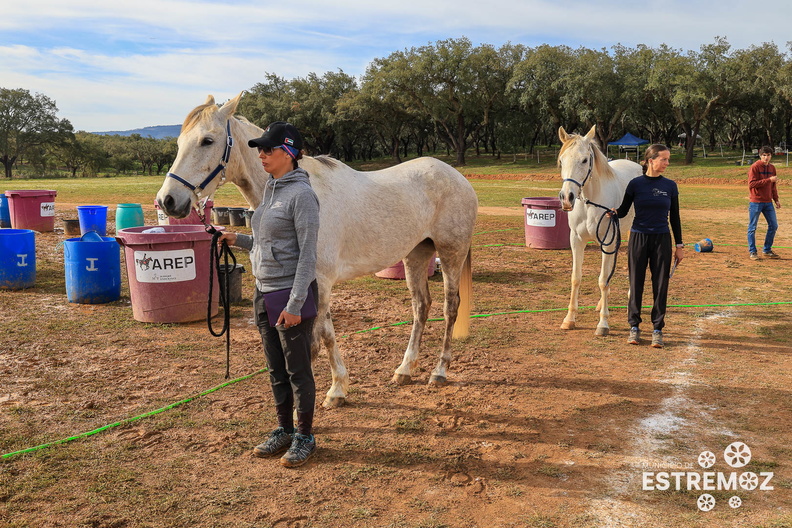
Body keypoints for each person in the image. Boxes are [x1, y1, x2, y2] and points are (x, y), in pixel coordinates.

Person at [217, 121, 320, 468]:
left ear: (288, 153)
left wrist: (294, 305)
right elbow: (267, 242)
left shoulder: (302, 196)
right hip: (264, 292)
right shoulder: (271, 191)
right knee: (276, 370)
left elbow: (308, 255)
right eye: (259, 149)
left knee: (298, 371)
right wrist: (238, 240)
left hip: (289, 296)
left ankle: (305, 436)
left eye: (268, 149)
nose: (260, 154)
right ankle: (284, 429)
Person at [610, 144, 684, 349]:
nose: (667, 163)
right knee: (636, 283)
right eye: (664, 159)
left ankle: (657, 329)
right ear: (651, 160)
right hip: (638, 238)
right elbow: (624, 211)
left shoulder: (670, 186)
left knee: (661, 285)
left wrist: (679, 245)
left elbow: (675, 218)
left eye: (668, 159)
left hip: (661, 238)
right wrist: (613, 213)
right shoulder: (635, 184)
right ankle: (634, 326)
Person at [747, 145, 781, 260]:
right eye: (764, 155)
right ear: (760, 155)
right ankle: (752, 252)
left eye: (768, 155)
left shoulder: (772, 168)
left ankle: (767, 250)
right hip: (756, 202)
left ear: (771, 156)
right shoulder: (755, 167)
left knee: (774, 225)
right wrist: (768, 180)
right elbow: (752, 184)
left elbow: (773, 186)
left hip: (768, 202)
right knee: (752, 227)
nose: (766, 157)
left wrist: (776, 199)